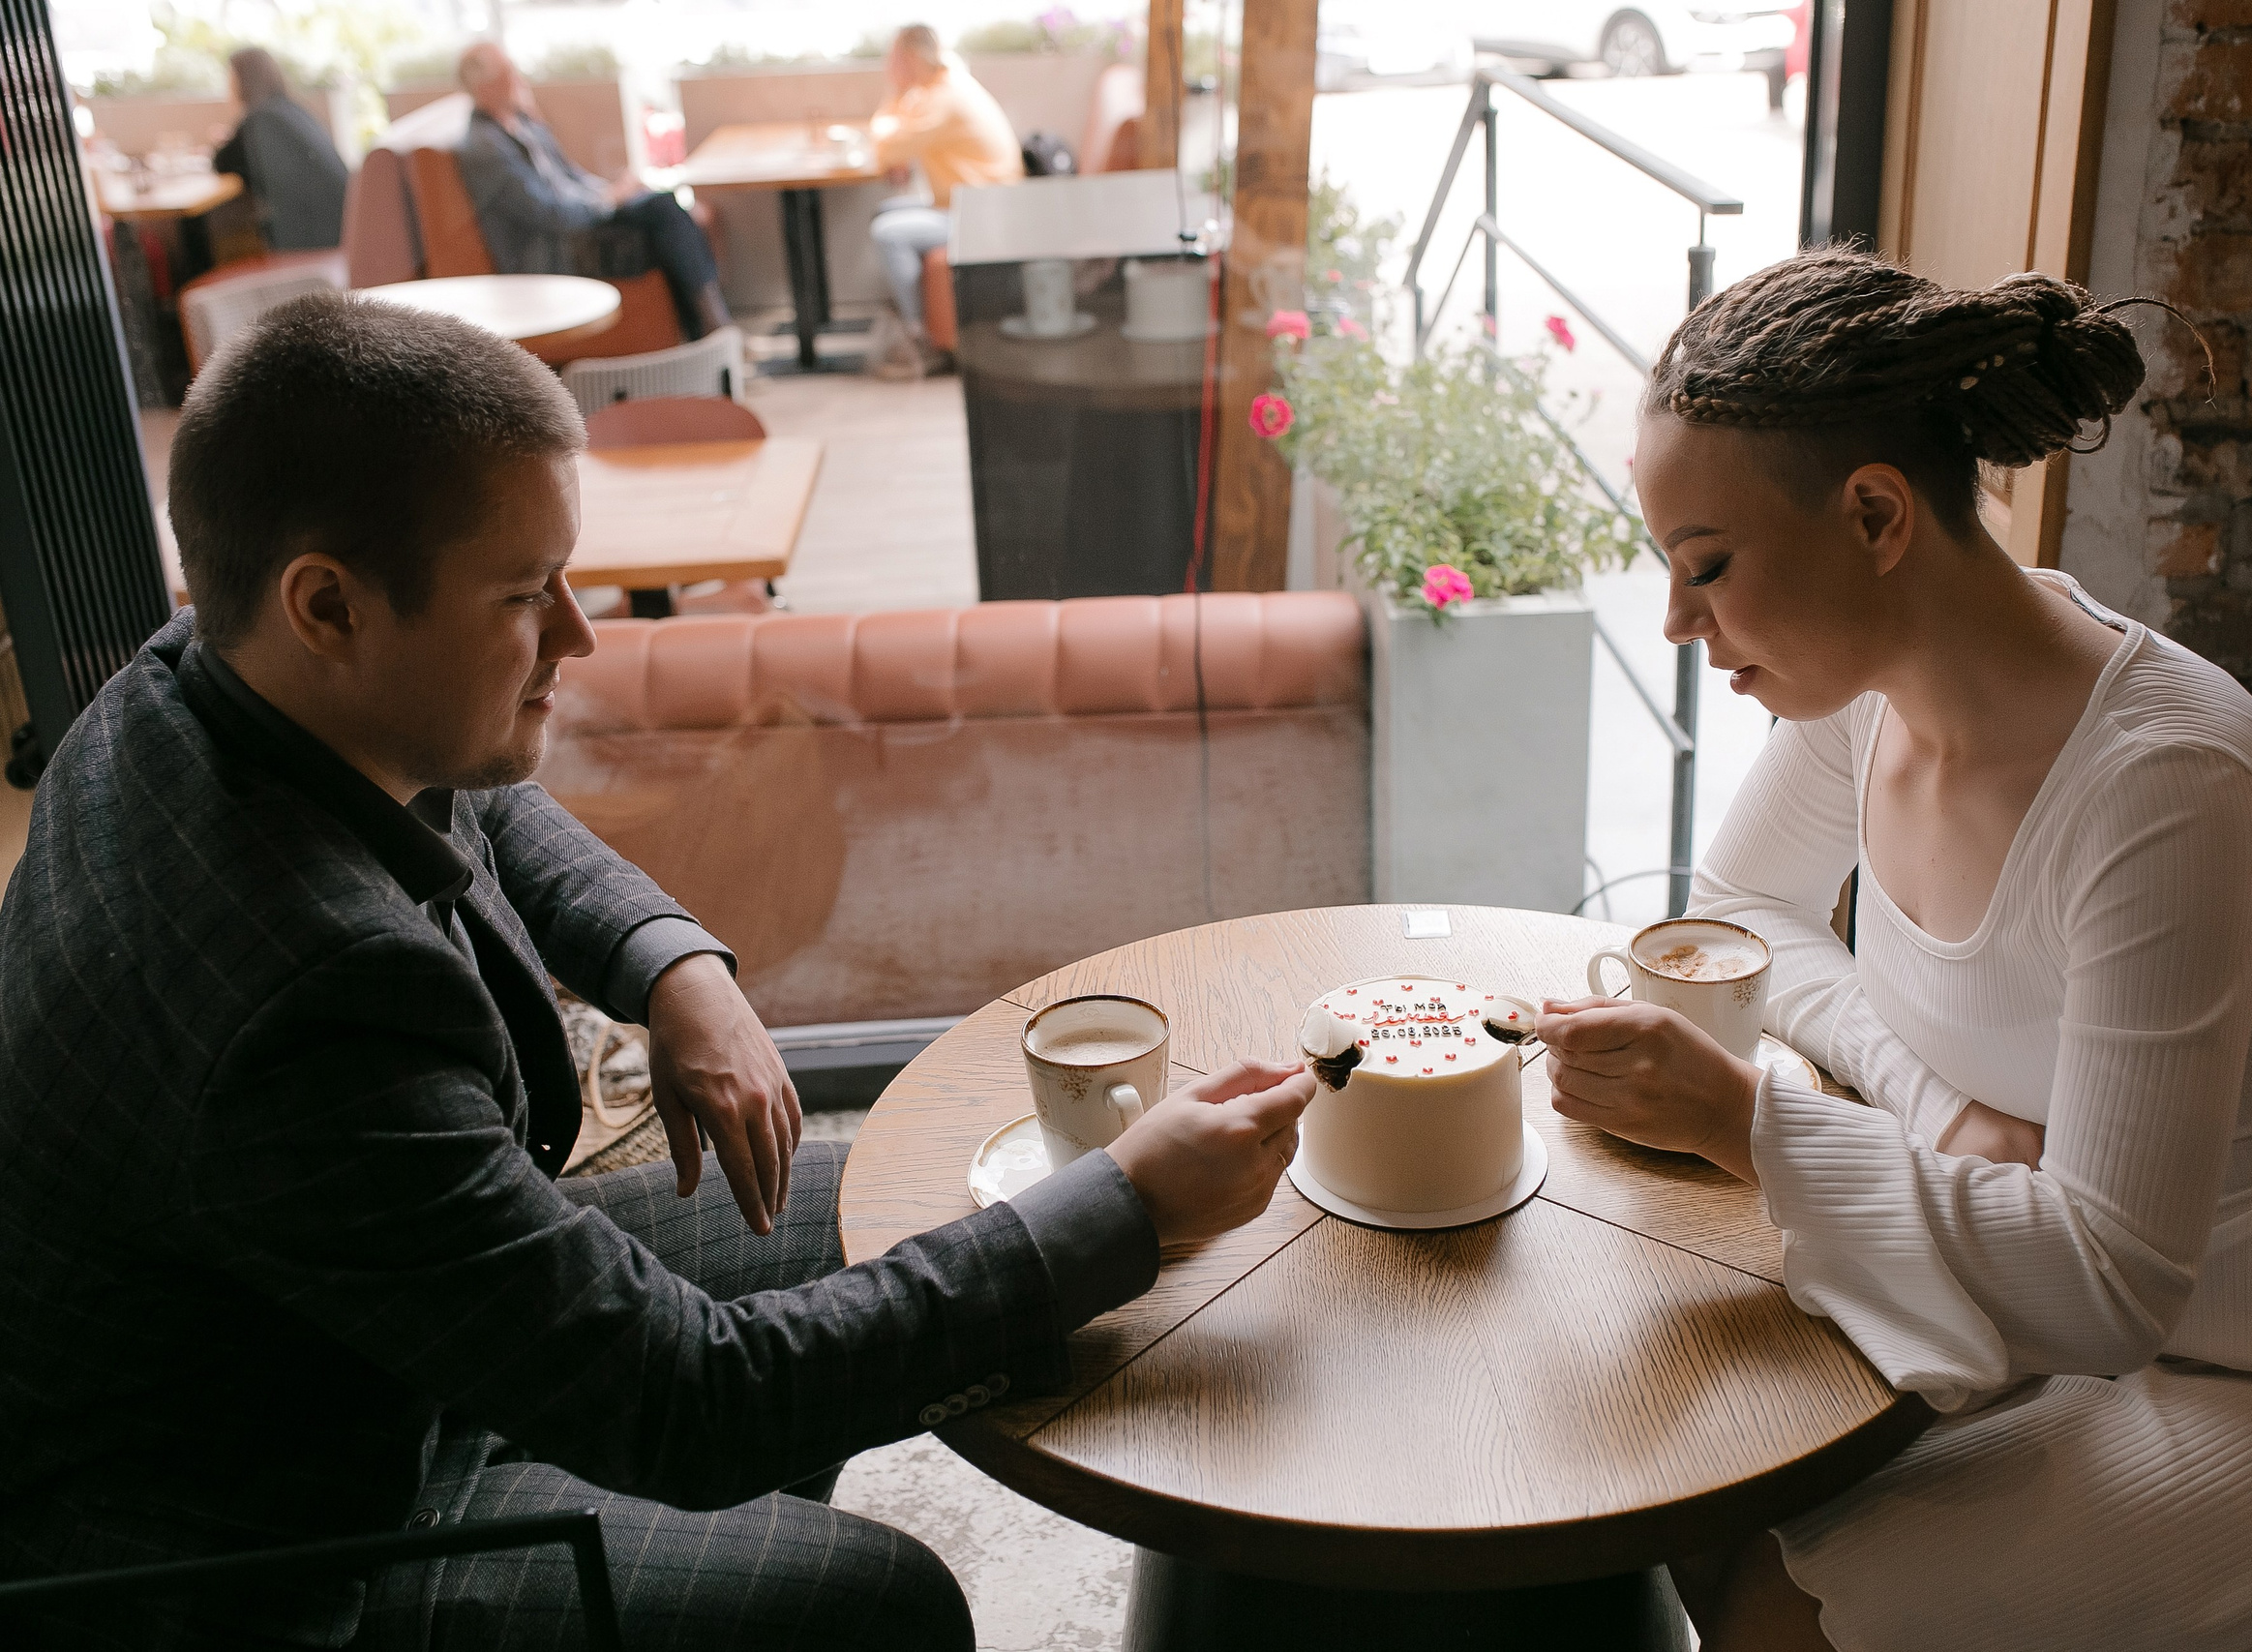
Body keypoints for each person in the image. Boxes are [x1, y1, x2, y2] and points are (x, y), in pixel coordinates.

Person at [0, 292, 1314, 1650]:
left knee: (867, 1194)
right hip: (279, 1527)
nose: (577, 636)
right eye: (524, 594)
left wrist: (671, 959)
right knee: (877, 1605)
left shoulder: (194, 677)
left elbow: (471, 786)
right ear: (328, 602)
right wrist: (1132, 1207)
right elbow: (692, 1404)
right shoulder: (292, 995)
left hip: (341, 1340)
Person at [1534, 249, 2252, 1651]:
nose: (1679, 624)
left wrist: (1753, 1119)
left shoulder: (2166, 789)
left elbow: (2111, 1276)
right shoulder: (1865, 700)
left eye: (1709, 568)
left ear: (1872, 514)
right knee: (1682, 1473)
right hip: (2057, 1306)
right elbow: (1736, 912)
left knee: (1777, 1606)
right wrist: (1931, 1101)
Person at [455, 42, 731, 342]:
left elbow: (572, 176)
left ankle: (706, 336)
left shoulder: (521, 122)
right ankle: (715, 331)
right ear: (484, 87)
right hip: (554, 249)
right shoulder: (486, 147)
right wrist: (608, 200)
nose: (517, 79)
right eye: (507, 73)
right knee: (666, 216)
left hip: (579, 224)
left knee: (669, 217)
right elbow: (549, 214)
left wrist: (613, 192)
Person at [865, 24, 1024, 378]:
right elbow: (900, 142)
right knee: (887, 212)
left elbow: (885, 145)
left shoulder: (942, 97)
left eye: (893, 58)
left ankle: (921, 340)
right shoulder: (945, 83)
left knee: (888, 233)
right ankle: (913, 320)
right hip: (970, 201)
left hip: (982, 212)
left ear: (907, 59)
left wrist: (893, 92)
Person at [212, 45, 346, 251]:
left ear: (242, 81)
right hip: (339, 225)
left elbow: (223, 162)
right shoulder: (291, 109)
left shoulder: (260, 118)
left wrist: (226, 140)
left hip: (313, 239)